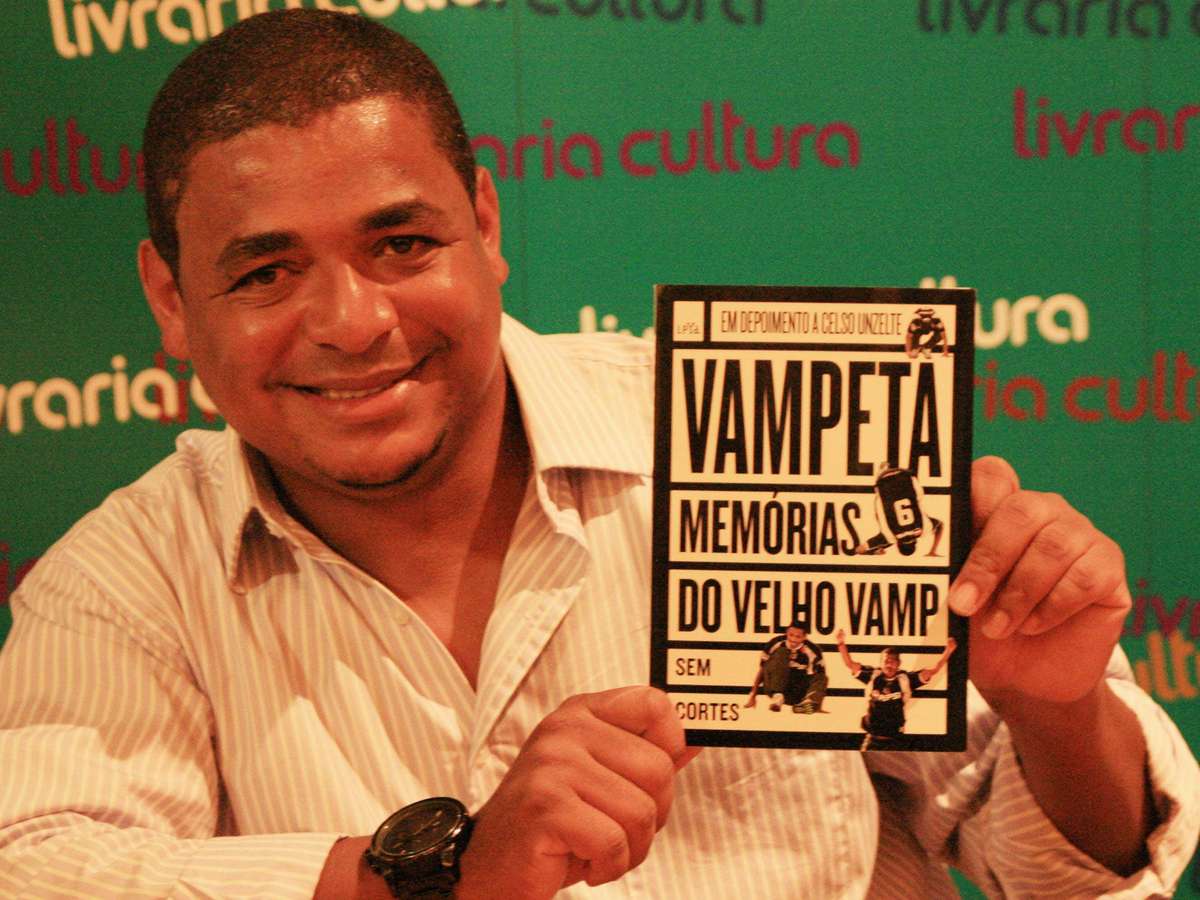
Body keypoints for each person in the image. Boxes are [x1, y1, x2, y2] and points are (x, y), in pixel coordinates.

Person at [0, 9, 1196, 899]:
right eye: (266, 272)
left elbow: (1069, 875)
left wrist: (1056, 707)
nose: (352, 323)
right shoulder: (126, 579)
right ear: (169, 298)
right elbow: (38, 866)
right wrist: (436, 873)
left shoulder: (776, 432)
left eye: (402, 245)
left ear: (486, 225)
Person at [835, 632, 957, 750]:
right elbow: (850, 664)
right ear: (881, 664)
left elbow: (932, 671)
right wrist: (841, 643)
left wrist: (948, 651)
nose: (889, 664)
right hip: (872, 738)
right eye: (886, 661)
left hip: (896, 739)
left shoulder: (905, 679)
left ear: (899, 663)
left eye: (893, 661)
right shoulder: (873, 676)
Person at [744, 625, 827, 713]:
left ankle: (806, 704)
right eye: (791, 635)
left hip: (796, 691)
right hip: (774, 688)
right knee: (782, 652)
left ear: (804, 637)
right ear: (786, 633)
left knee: (822, 676)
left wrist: (818, 703)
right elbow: (762, 669)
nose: (793, 639)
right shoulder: (776, 643)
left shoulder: (813, 650)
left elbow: (820, 678)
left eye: (798, 637)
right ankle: (778, 698)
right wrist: (753, 696)